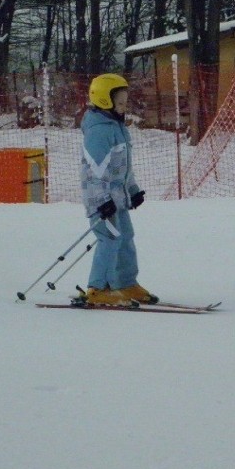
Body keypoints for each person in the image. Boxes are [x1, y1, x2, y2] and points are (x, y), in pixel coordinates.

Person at [79, 73, 158, 306]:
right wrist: (101, 200)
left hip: (118, 198)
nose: (124, 107)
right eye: (120, 103)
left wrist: (132, 189)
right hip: (101, 200)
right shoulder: (98, 131)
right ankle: (98, 288)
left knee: (125, 238)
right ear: (105, 101)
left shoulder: (119, 128)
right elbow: (94, 172)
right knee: (109, 239)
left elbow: (123, 167)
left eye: (125, 102)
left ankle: (125, 284)